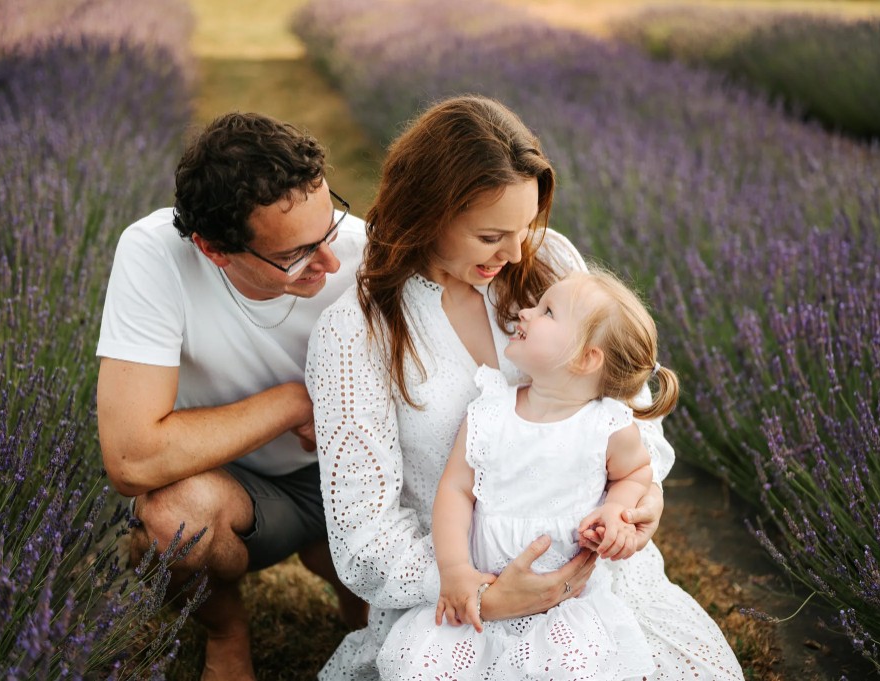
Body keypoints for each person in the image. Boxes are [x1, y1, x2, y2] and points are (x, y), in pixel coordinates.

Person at [308, 94, 743, 679]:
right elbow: (364, 536)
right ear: (427, 214)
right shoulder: (355, 334)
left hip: (594, 586)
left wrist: (639, 499)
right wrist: (478, 590)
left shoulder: (547, 260)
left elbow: (625, 400)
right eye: (491, 236)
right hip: (458, 605)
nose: (515, 253)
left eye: (527, 225)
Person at [96, 112, 367, 681]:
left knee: (375, 621)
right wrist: (293, 402)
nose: (331, 262)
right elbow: (131, 458)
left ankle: (357, 590)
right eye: (296, 254)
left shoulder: (365, 252)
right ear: (215, 249)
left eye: (330, 227)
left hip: (353, 479)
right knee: (170, 521)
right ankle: (225, 629)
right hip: (235, 486)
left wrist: (357, 413)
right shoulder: (154, 254)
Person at [378, 269, 683, 680]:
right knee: (420, 666)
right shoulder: (489, 411)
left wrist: (616, 510)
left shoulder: (607, 425)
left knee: (576, 667)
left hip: (568, 602)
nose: (523, 312)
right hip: (483, 589)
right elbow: (455, 490)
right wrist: (454, 571)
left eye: (547, 311)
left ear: (585, 357)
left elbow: (635, 473)